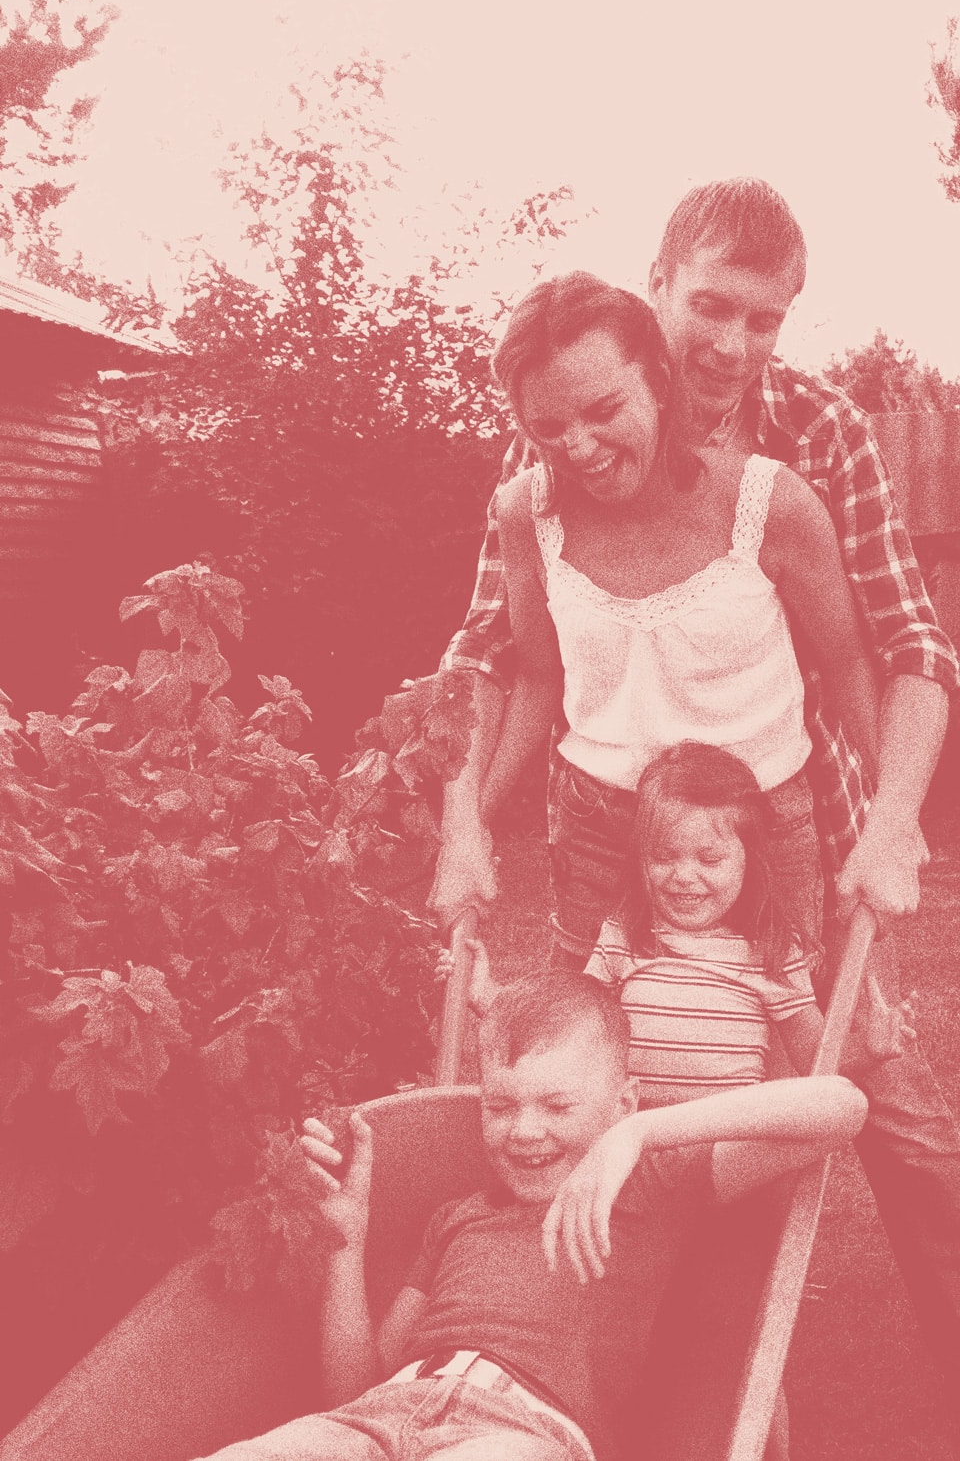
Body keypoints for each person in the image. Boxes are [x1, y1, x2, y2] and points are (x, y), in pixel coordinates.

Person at [428, 177, 960, 1388]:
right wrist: (467, 820)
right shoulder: (561, 428)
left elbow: (899, 645)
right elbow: (506, 660)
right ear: (655, 285)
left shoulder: (810, 441)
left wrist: (889, 823)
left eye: (764, 319)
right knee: (596, 1085)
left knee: (885, 1093)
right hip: (603, 832)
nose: (731, 344)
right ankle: (580, 1370)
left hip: (777, 822)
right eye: (711, 306)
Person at [193, 973, 868, 1461]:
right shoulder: (455, 1220)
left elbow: (839, 1106)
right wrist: (347, 1232)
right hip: (381, 1415)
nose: (523, 1131)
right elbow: (355, 1385)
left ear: (622, 1103)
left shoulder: (650, 1184)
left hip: (523, 1431)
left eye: (558, 1106)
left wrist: (638, 1139)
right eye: (500, 1104)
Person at [453, 742, 915, 1103]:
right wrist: (490, 999)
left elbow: (815, 1056)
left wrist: (867, 1050)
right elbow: (565, 1024)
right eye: (663, 856)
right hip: (630, 1143)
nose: (684, 876)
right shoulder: (624, 939)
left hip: (724, 1141)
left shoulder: (770, 951)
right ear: (640, 860)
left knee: (830, 1107)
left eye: (710, 858)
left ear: (749, 863)